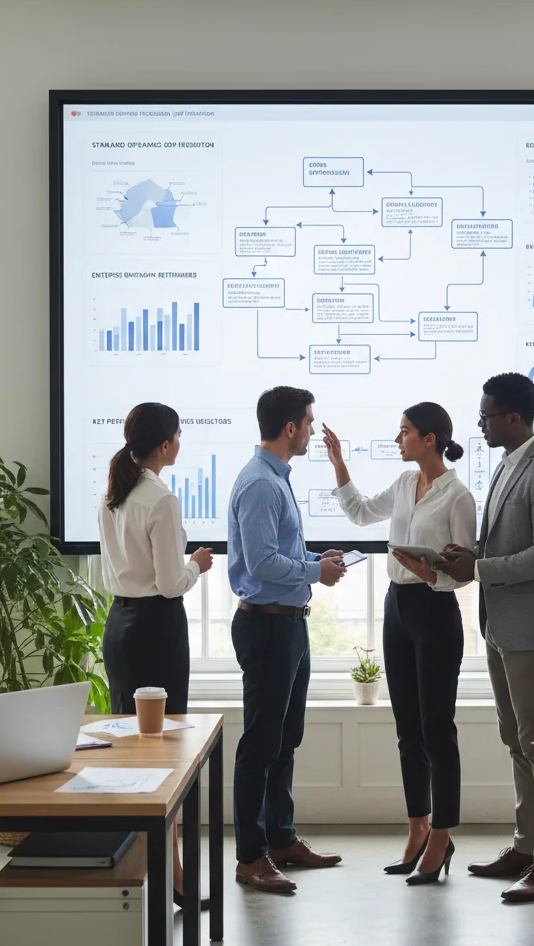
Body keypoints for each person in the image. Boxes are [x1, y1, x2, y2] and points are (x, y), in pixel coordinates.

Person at [323, 404, 476, 885]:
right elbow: (361, 512)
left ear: (429, 439)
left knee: (437, 730)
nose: (398, 438)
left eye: (405, 431)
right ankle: (417, 828)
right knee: (407, 729)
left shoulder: (459, 497)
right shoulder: (405, 485)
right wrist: (339, 464)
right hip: (397, 609)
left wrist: (430, 573)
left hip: (435, 611)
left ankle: (442, 836)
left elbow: (465, 572)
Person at [439, 373, 534, 903]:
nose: (479, 424)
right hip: (501, 625)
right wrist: (465, 555)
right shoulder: (506, 465)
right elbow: (501, 541)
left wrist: (482, 566)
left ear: (513, 418)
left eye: (486, 415)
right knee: (517, 740)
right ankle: (525, 846)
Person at [228, 386, 347, 894]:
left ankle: (281, 839)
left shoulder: (276, 478)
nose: (314, 430)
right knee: (260, 743)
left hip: (288, 623)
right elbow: (261, 564)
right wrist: (313, 570)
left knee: (285, 738)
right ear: (291, 428)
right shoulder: (260, 484)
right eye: (309, 421)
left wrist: (315, 560)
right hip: (268, 625)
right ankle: (251, 857)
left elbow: (278, 552)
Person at [98, 401, 214, 911]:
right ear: (166, 444)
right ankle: (172, 874)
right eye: (180, 435)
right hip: (157, 629)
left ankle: (147, 869)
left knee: (130, 750)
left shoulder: (113, 494)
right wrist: (197, 564)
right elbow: (170, 585)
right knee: (162, 752)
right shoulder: (161, 500)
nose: (181, 443)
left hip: (119, 626)